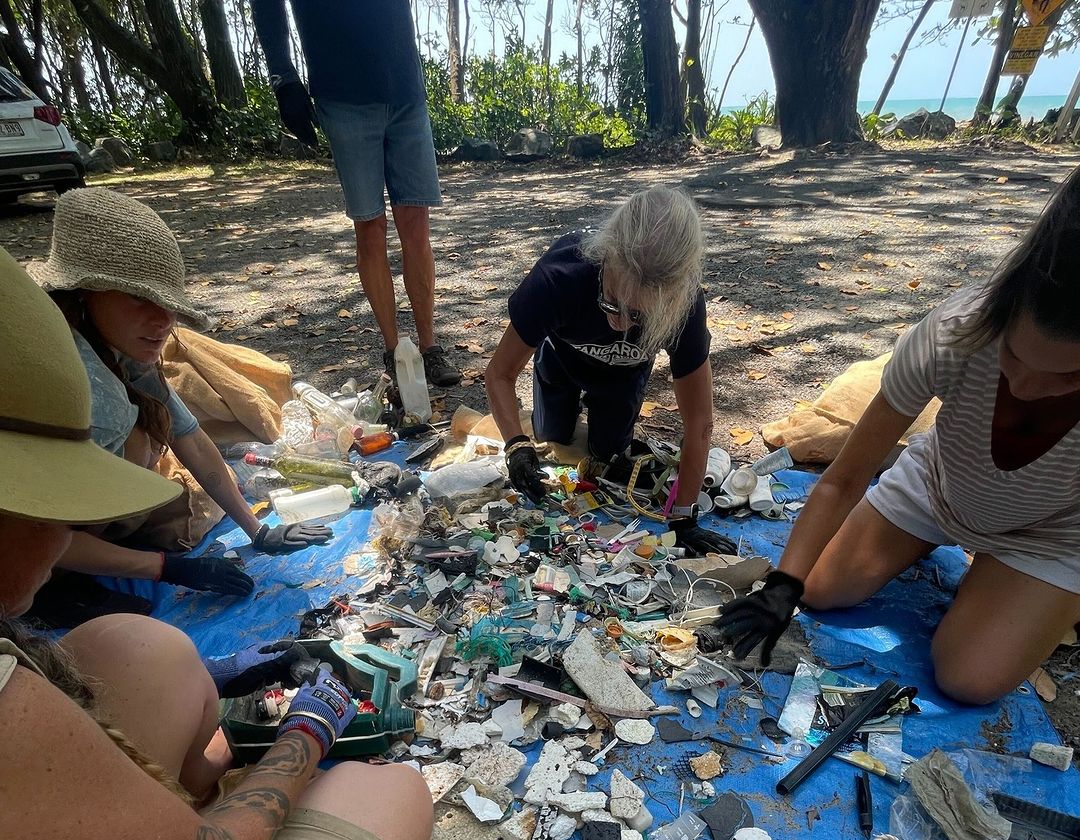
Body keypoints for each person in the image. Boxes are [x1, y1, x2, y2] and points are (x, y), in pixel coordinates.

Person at [0, 244, 434, 840]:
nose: (62, 535)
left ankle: (191, 785)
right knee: (392, 790)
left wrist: (234, 640)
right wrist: (305, 739)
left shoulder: (118, 363)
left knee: (139, 650)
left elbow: (196, 443)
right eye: (52, 506)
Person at [716, 168, 1080, 705]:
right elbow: (845, 478)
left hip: (1049, 529)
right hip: (939, 485)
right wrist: (783, 585)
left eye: (1067, 377)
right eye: (1013, 358)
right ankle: (934, 544)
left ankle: (1008, 582)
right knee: (818, 587)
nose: (1025, 387)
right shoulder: (954, 332)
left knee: (967, 680)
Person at [33, 188, 331, 604]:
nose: (162, 320)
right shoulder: (80, 386)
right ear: (84, 291)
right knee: (134, 444)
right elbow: (34, 525)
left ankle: (74, 563)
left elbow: (187, 435)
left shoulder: (113, 339)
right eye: (140, 298)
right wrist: (164, 568)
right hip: (23, 530)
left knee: (148, 429)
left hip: (54, 512)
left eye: (167, 302)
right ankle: (50, 581)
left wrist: (258, 530)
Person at [484, 184, 733, 557]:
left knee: (607, 455)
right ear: (604, 257)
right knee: (551, 436)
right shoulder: (560, 277)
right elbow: (499, 374)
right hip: (562, 360)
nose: (620, 323)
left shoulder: (685, 306)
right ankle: (556, 393)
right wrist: (516, 446)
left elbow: (699, 423)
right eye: (610, 303)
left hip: (624, 375)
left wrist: (684, 517)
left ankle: (604, 415)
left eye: (639, 316)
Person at [251, 0, 461, 389]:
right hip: (341, 90)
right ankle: (395, 352)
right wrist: (283, 75)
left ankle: (429, 347)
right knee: (369, 225)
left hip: (404, 84)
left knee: (416, 224)